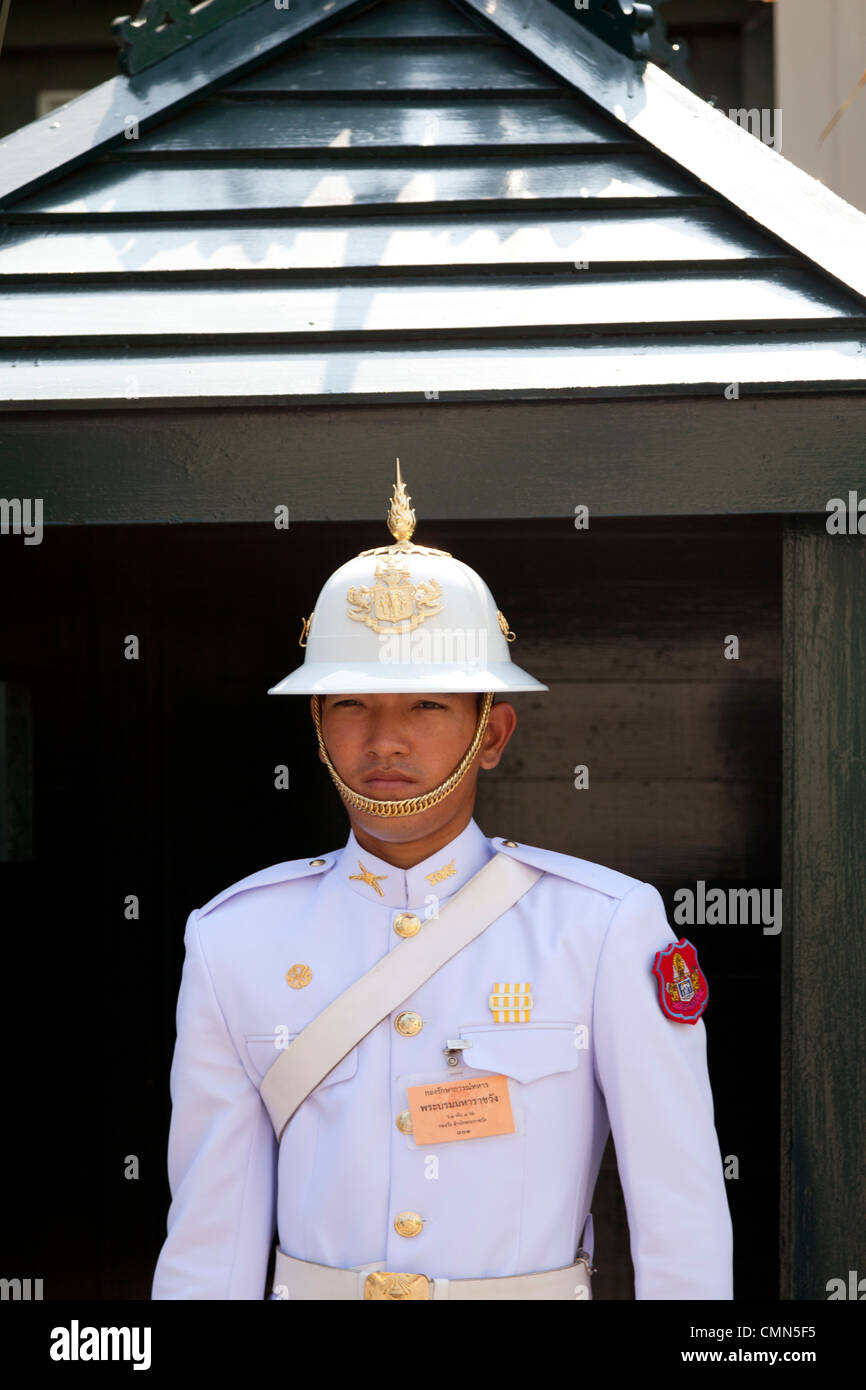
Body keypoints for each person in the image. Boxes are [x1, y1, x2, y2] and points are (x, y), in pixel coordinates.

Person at [151, 462, 733, 1301]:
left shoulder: (602, 926)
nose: (385, 740)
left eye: (426, 706)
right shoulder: (233, 939)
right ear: (316, 728)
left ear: (491, 734)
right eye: (351, 705)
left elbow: (680, 1221)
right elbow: (211, 1241)